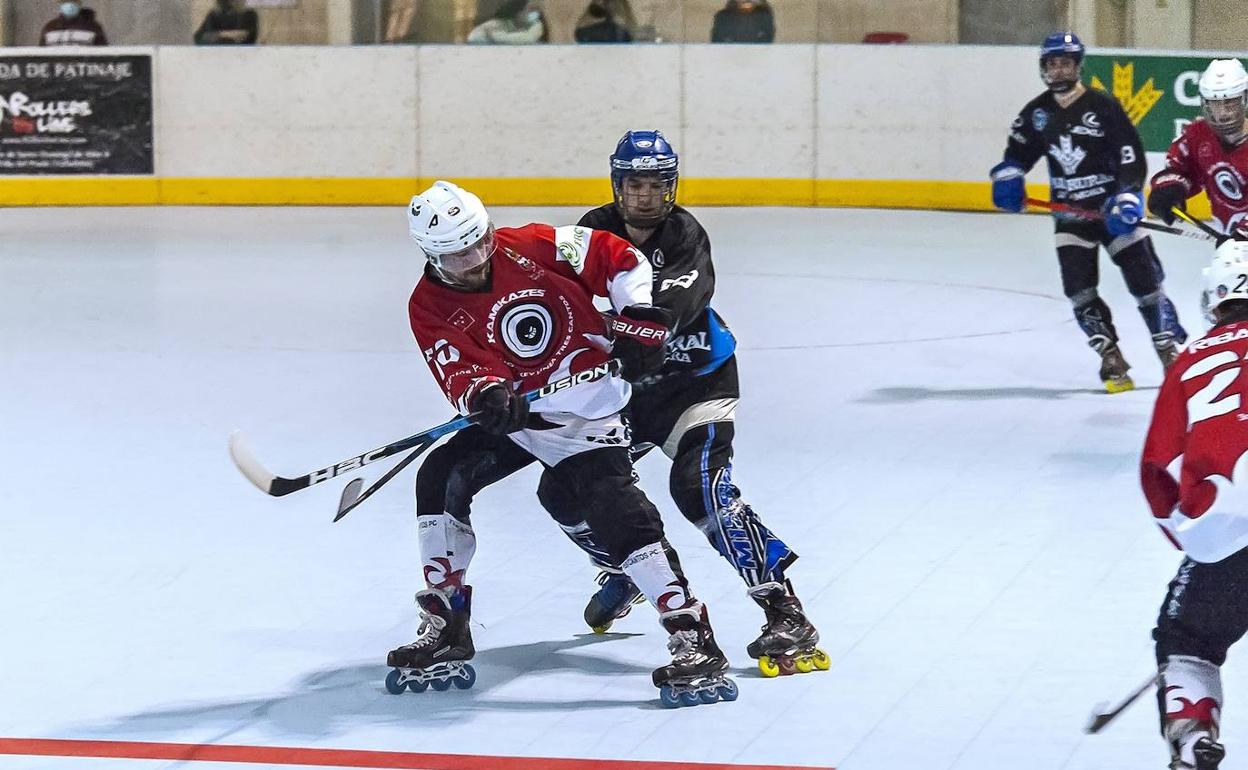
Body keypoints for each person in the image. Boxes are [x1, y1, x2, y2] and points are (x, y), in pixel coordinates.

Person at [407, 133, 827, 678]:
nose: (645, 196)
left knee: (697, 487)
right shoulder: (588, 230)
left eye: (655, 185)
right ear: (616, 185)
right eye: (634, 185)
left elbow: (673, 308)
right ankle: (625, 567)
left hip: (690, 383)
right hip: (622, 392)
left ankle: (782, 606)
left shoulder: (684, 236)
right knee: (563, 493)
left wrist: (644, 323)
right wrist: (488, 390)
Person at [390, 180, 737, 706]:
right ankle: (446, 618)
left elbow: (617, 256)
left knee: (613, 507)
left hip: (587, 409)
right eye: (458, 256)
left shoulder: (531, 244)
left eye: (479, 242)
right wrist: (486, 395)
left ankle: (689, 630)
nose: (475, 260)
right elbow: (458, 367)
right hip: (520, 416)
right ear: (431, 256)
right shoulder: (428, 305)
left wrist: (637, 313)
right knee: (440, 475)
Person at [990, 31, 1186, 393]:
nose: (1059, 70)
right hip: (1071, 216)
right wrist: (1009, 174)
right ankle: (1110, 354)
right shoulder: (1036, 114)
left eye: (1065, 63)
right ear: (1043, 68)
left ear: (1078, 66)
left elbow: (1130, 155)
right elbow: (1017, 154)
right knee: (1079, 289)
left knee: (1145, 281)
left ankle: (1166, 349)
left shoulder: (1103, 105)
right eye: (1052, 64)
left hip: (1112, 211)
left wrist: (1127, 195)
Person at [1139, 239, 1248, 770]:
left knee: (1186, 640)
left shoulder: (1189, 361)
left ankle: (1193, 739)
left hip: (1229, 528)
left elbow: (1156, 470)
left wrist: (1201, 543)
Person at [1149, 59, 1248, 236]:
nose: (1223, 113)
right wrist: (1169, 189)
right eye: (1215, 104)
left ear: (1244, 99)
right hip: (1232, 243)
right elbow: (1181, 170)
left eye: (1230, 103)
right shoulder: (1197, 136)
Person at [467, 0, 548, 44]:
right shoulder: (498, 23)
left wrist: (496, 36)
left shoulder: (535, 24)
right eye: (528, 9)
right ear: (518, 13)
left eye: (533, 9)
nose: (530, 12)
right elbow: (474, 37)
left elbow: (528, 38)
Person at [39, 1, 106, 46]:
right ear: (61, 3)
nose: (70, 4)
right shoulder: (50, 27)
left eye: (74, 0)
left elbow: (103, 54)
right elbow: (41, 55)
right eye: (66, 1)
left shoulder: (93, 27)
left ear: (79, 2)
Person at [194, 0, 259, 45]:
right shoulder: (214, 14)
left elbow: (247, 39)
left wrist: (217, 36)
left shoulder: (249, 14)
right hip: (215, 55)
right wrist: (225, 34)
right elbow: (198, 38)